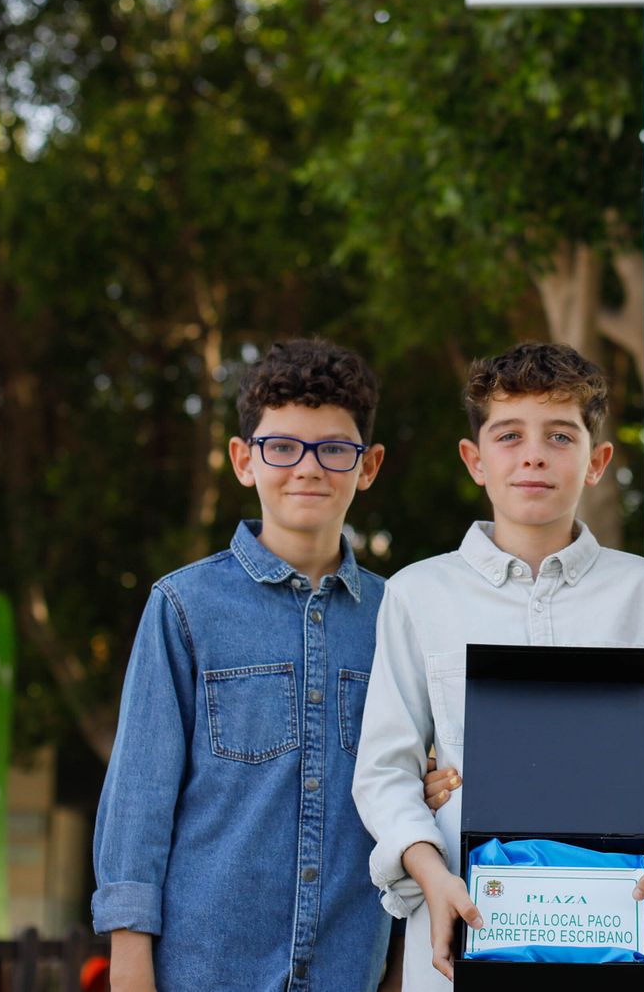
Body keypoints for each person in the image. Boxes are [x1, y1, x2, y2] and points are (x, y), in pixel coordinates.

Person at [352, 342, 644, 990]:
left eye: (560, 435)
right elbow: (385, 769)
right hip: (465, 925)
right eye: (509, 435)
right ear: (474, 459)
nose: (534, 453)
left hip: (613, 932)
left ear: (597, 461)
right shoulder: (417, 594)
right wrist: (430, 873)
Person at [92, 339, 397, 992]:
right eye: (283, 446)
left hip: (349, 968)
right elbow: (138, 799)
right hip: (203, 968)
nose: (307, 468)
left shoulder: (399, 615)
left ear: (367, 466)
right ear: (243, 458)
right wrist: (130, 964)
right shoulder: (184, 607)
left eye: (333, 449)